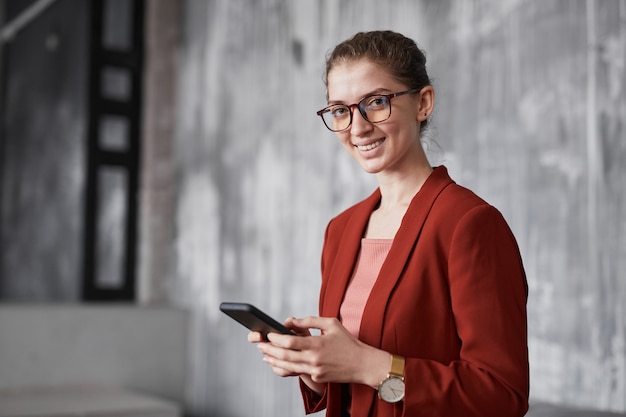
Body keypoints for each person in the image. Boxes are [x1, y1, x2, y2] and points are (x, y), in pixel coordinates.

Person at [249, 30, 529, 417]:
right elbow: (356, 392)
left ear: (423, 103)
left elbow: (501, 395)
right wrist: (315, 365)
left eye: (376, 103)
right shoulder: (341, 230)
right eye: (340, 110)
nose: (357, 127)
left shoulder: (470, 224)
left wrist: (367, 364)